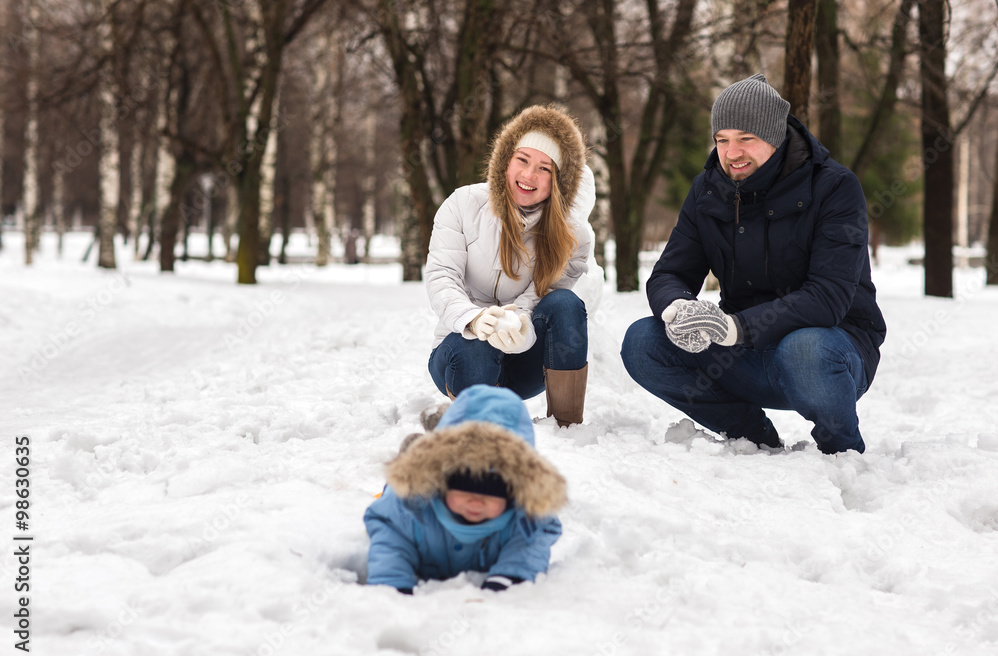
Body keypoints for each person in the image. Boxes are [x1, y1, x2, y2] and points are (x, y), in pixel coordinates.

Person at [620, 74, 886, 455]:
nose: (732, 153)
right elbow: (671, 273)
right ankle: (751, 435)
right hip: (741, 352)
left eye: (746, 138)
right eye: (722, 140)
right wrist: (676, 309)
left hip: (831, 351)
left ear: (775, 138)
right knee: (643, 341)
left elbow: (829, 297)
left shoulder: (835, 187)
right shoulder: (707, 190)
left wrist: (736, 327)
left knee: (804, 349)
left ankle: (841, 451)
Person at [424, 104, 596, 426]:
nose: (529, 175)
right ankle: (477, 422)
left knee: (566, 304)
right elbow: (441, 276)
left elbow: (546, 295)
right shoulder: (462, 204)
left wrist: (522, 327)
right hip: (460, 351)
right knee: (476, 347)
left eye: (545, 168)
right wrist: (474, 319)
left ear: (558, 181)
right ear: (506, 161)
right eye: (523, 160)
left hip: (523, 363)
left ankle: (568, 425)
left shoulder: (573, 236)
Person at [364, 385, 566, 594]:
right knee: (408, 472)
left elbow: (530, 543)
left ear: (515, 488)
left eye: (493, 490)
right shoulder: (412, 504)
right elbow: (390, 535)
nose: (476, 501)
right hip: (426, 473)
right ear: (442, 478)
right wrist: (392, 580)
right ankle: (418, 448)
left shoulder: (524, 519)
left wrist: (511, 575)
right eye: (464, 486)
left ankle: (433, 432)